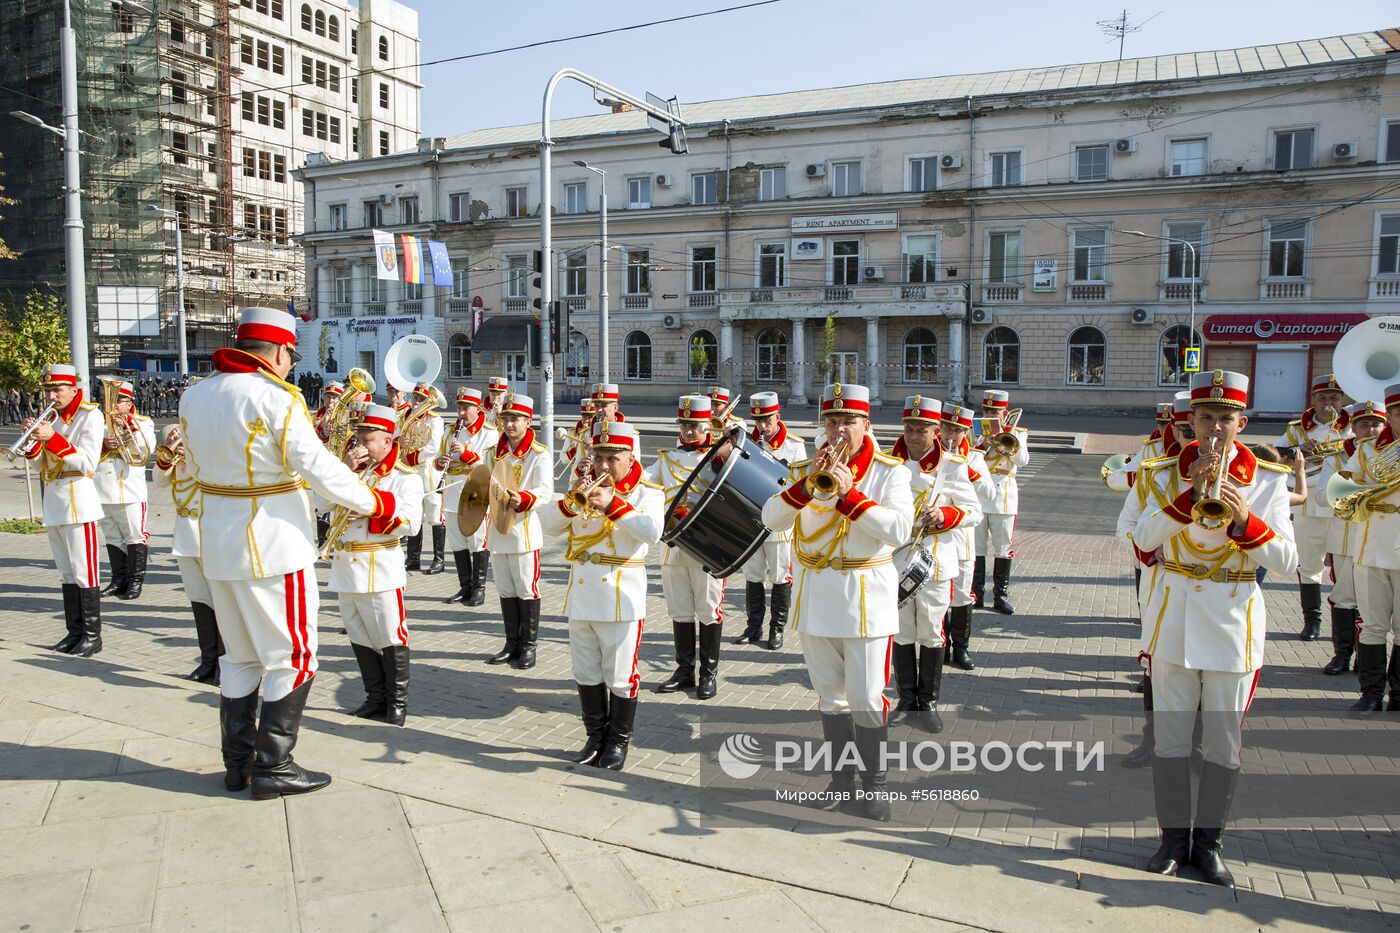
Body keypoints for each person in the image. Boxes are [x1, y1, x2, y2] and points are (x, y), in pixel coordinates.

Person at [180, 307, 399, 800]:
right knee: (293, 656)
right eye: (289, 354)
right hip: (274, 544)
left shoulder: (195, 395)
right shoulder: (275, 397)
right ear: (279, 351)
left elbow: (192, 471)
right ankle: (274, 767)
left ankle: (237, 765)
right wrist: (376, 500)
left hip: (218, 541)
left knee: (239, 657)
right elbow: (316, 465)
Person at [1127, 369, 1296, 887]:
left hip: (1231, 622)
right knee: (1171, 740)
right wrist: (1185, 500)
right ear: (1190, 420)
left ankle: (1210, 844)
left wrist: (1247, 523)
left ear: (1242, 422)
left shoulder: (1267, 479)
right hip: (1173, 618)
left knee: (1223, 744)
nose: (1215, 430)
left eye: (1226, 419)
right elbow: (1141, 545)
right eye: (1206, 418)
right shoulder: (1157, 474)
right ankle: (1172, 842)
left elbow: (1288, 560)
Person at [761, 382, 913, 822]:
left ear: (867, 425)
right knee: (831, 697)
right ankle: (841, 783)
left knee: (866, 696)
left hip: (866, 597)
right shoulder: (806, 469)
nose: (838, 430)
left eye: (848, 421)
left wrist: (849, 496)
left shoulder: (890, 472)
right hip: (817, 597)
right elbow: (771, 517)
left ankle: (875, 786)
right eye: (830, 421)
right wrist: (806, 489)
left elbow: (899, 530)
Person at [543, 420, 663, 770]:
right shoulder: (582, 485)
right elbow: (548, 525)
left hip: (620, 595)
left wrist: (612, 504)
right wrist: (569, 502)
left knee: (621, 675)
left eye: (613, 458)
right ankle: (594, 737)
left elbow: (652, 532)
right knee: (585, 671)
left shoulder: (647, 492)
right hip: (581, 594)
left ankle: (618, 742)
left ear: (630, 457)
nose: (604, 466)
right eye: (599, 457)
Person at [888, 395, 981, 733]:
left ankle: (927, 703)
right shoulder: (888, 463)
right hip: (896, 558)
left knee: (930, 632)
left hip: (935, 562)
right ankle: (905, 698)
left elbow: (974, 511)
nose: (913, 437)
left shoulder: (952, 466)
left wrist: (946, 514)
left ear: (937, 430)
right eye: (909, 429)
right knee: (900, 631)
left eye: (921, 430)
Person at [327, 405, 423, 726]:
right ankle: (375, 696)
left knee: (389, 635)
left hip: (379, 566)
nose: (360, 446)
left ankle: (397, 703)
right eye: (358, 438)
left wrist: (371, 510)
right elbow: (319, 504)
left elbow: (412, 522)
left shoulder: (403, 477)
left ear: (386, 440)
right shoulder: (347, 470)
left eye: (368, 440)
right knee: (358, 634)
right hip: (345, 565)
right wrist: (342, 471)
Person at [23, 364, 105, 656]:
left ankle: (92, 636)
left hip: (78, 501)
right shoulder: (52, 418)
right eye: (47, 390)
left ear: (73, 388)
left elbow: (87, 463)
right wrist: (33, 442)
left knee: (85, 572)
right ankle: (74, 632)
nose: (52, 396)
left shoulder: (90, 416)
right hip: (54, 501)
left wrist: (52, 439)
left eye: (57, 389)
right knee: (66, 573)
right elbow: (38, 464)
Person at [647, 395, 724, 699]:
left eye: (694, 425)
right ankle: (684, 671)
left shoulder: (719, 459)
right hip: (673, 546)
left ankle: (709, 673)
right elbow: (641, 480)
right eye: (684, 424)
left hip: (707, 545)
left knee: (708, 609)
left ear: (707, 425)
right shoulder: (666, 459)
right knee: (679, 609)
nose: (688, 431)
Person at [1337, 386, 1400, 712]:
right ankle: (1371, 694)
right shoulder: (1365, 451)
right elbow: (1341, 492)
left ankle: (1399, 696)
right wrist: (1362, 492)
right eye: (1399, 413)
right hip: (1371, 544)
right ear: (1389, 417)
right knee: (1374, 624)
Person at [1275, 375, 1350, 641]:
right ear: (1313, 400)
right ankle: (1312, 621)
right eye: (1323, 398)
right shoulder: (1297, 428)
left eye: (1334, 398)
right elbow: (1276, 457)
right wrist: (1298, 449)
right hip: (1307, 503)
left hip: (1342, 507)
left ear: (1342, 400)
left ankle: (1348, 630)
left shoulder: (1354, 426)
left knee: (1346, 571)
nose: (1328, 403)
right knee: (1309, 565)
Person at [484, 393, 552, 669]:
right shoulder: (492, 453)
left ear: (527, 421)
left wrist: (523, 498)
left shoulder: (539, 454)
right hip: (499, 531)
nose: (509, 424)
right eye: (505, 419)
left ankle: (529, 646)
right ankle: (511, 642)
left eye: (515, 419)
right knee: (505, 589)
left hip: (523, 531)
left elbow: (546, 492)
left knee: (526, 589)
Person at [153, 424, 223, 683]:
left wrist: (193, 455)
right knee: (199, 600)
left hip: (210, 532)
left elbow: (214, 479)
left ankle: (226, 665)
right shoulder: (177, 454)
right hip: (185, 532)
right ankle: (208, 661)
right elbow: (159, 481)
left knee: (221, 603)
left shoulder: (212, 447)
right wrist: (169, 450)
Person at [736, 391, 806, 649]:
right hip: (752, 519)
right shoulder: (747, 442)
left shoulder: (795, 445)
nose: (762, 426)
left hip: (779, 524)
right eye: (758, 420)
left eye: (767, 420)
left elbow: (799, 485)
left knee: (779, 576)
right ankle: (753, 627)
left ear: (778, 416)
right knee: (753, 574)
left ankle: (777, 629)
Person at [1322, 401, 1384, 675]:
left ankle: (1365, 655)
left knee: (1373, 603)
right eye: (1363, 424)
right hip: (1346, 540)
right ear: (1353, 428)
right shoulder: (1335, 458)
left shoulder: (1390, 456)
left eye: (1376, 424)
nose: (1370, 429)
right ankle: (1341, 655)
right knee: (1344, 596)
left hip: (1380, 541)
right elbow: (1320, 495)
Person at [940, 402, 995, 671]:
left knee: (962, 595)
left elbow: (989, 493)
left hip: (961, 539)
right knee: (936, 597)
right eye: (947, 429)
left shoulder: (975, 458)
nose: (950, 436)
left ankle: (960, 648)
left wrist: (968, 472)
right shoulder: (931, 456)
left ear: (965, 433)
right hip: (935, 540)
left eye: (957, 431)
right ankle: (940, 646)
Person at [93, 380, 155, 600]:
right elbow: (87, 452)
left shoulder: (142, 422)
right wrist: (104, 444)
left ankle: (135, 581)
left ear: (130, 403)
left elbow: (146, 450)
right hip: (102, 488)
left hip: (129, 489)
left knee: (133, 535)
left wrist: (126, 430)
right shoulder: (97, 422)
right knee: (112, 536)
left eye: (120, 400)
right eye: (111, 398)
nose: (114, 404)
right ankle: (118, 579)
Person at [437, 387, 499, 606]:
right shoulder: (448, 431)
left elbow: (491, 466)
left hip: (476, 491)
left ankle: (479, 588)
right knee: (457, 540)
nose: (461, 413)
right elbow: (436, 460)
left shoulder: (489, 433)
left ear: (477, 408)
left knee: (476, 539)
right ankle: (465, 586)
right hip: (453, 490)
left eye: (466, 408)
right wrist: (440, 462)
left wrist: (465, 454)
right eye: (459, 407)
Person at [972, 389, 1029, 615]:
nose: (990, 414)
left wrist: (1005, 442)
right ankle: (976, 593)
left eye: (995, 411)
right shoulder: (973, 431)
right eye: (987, 410)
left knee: (1003, 548)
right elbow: (968, 457)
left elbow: (1023, 460)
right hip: (978, 495)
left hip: (1004, 497)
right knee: (976, 548)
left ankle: (1000, 596)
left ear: (1005, 413)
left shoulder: (1019, 433)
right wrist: (984, 443)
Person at [399, 383, 447, 575]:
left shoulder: (435, 420)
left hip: (428, 472)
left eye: (421, 399)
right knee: (414, 512)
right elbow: (396, 434)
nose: (416, 401)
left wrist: (411, 457)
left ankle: (439, 559)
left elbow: (434, 445)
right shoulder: (405, 416)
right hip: (410, 472)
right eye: (415, 397)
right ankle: (413, 558)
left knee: (435, 514)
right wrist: (399, 442)